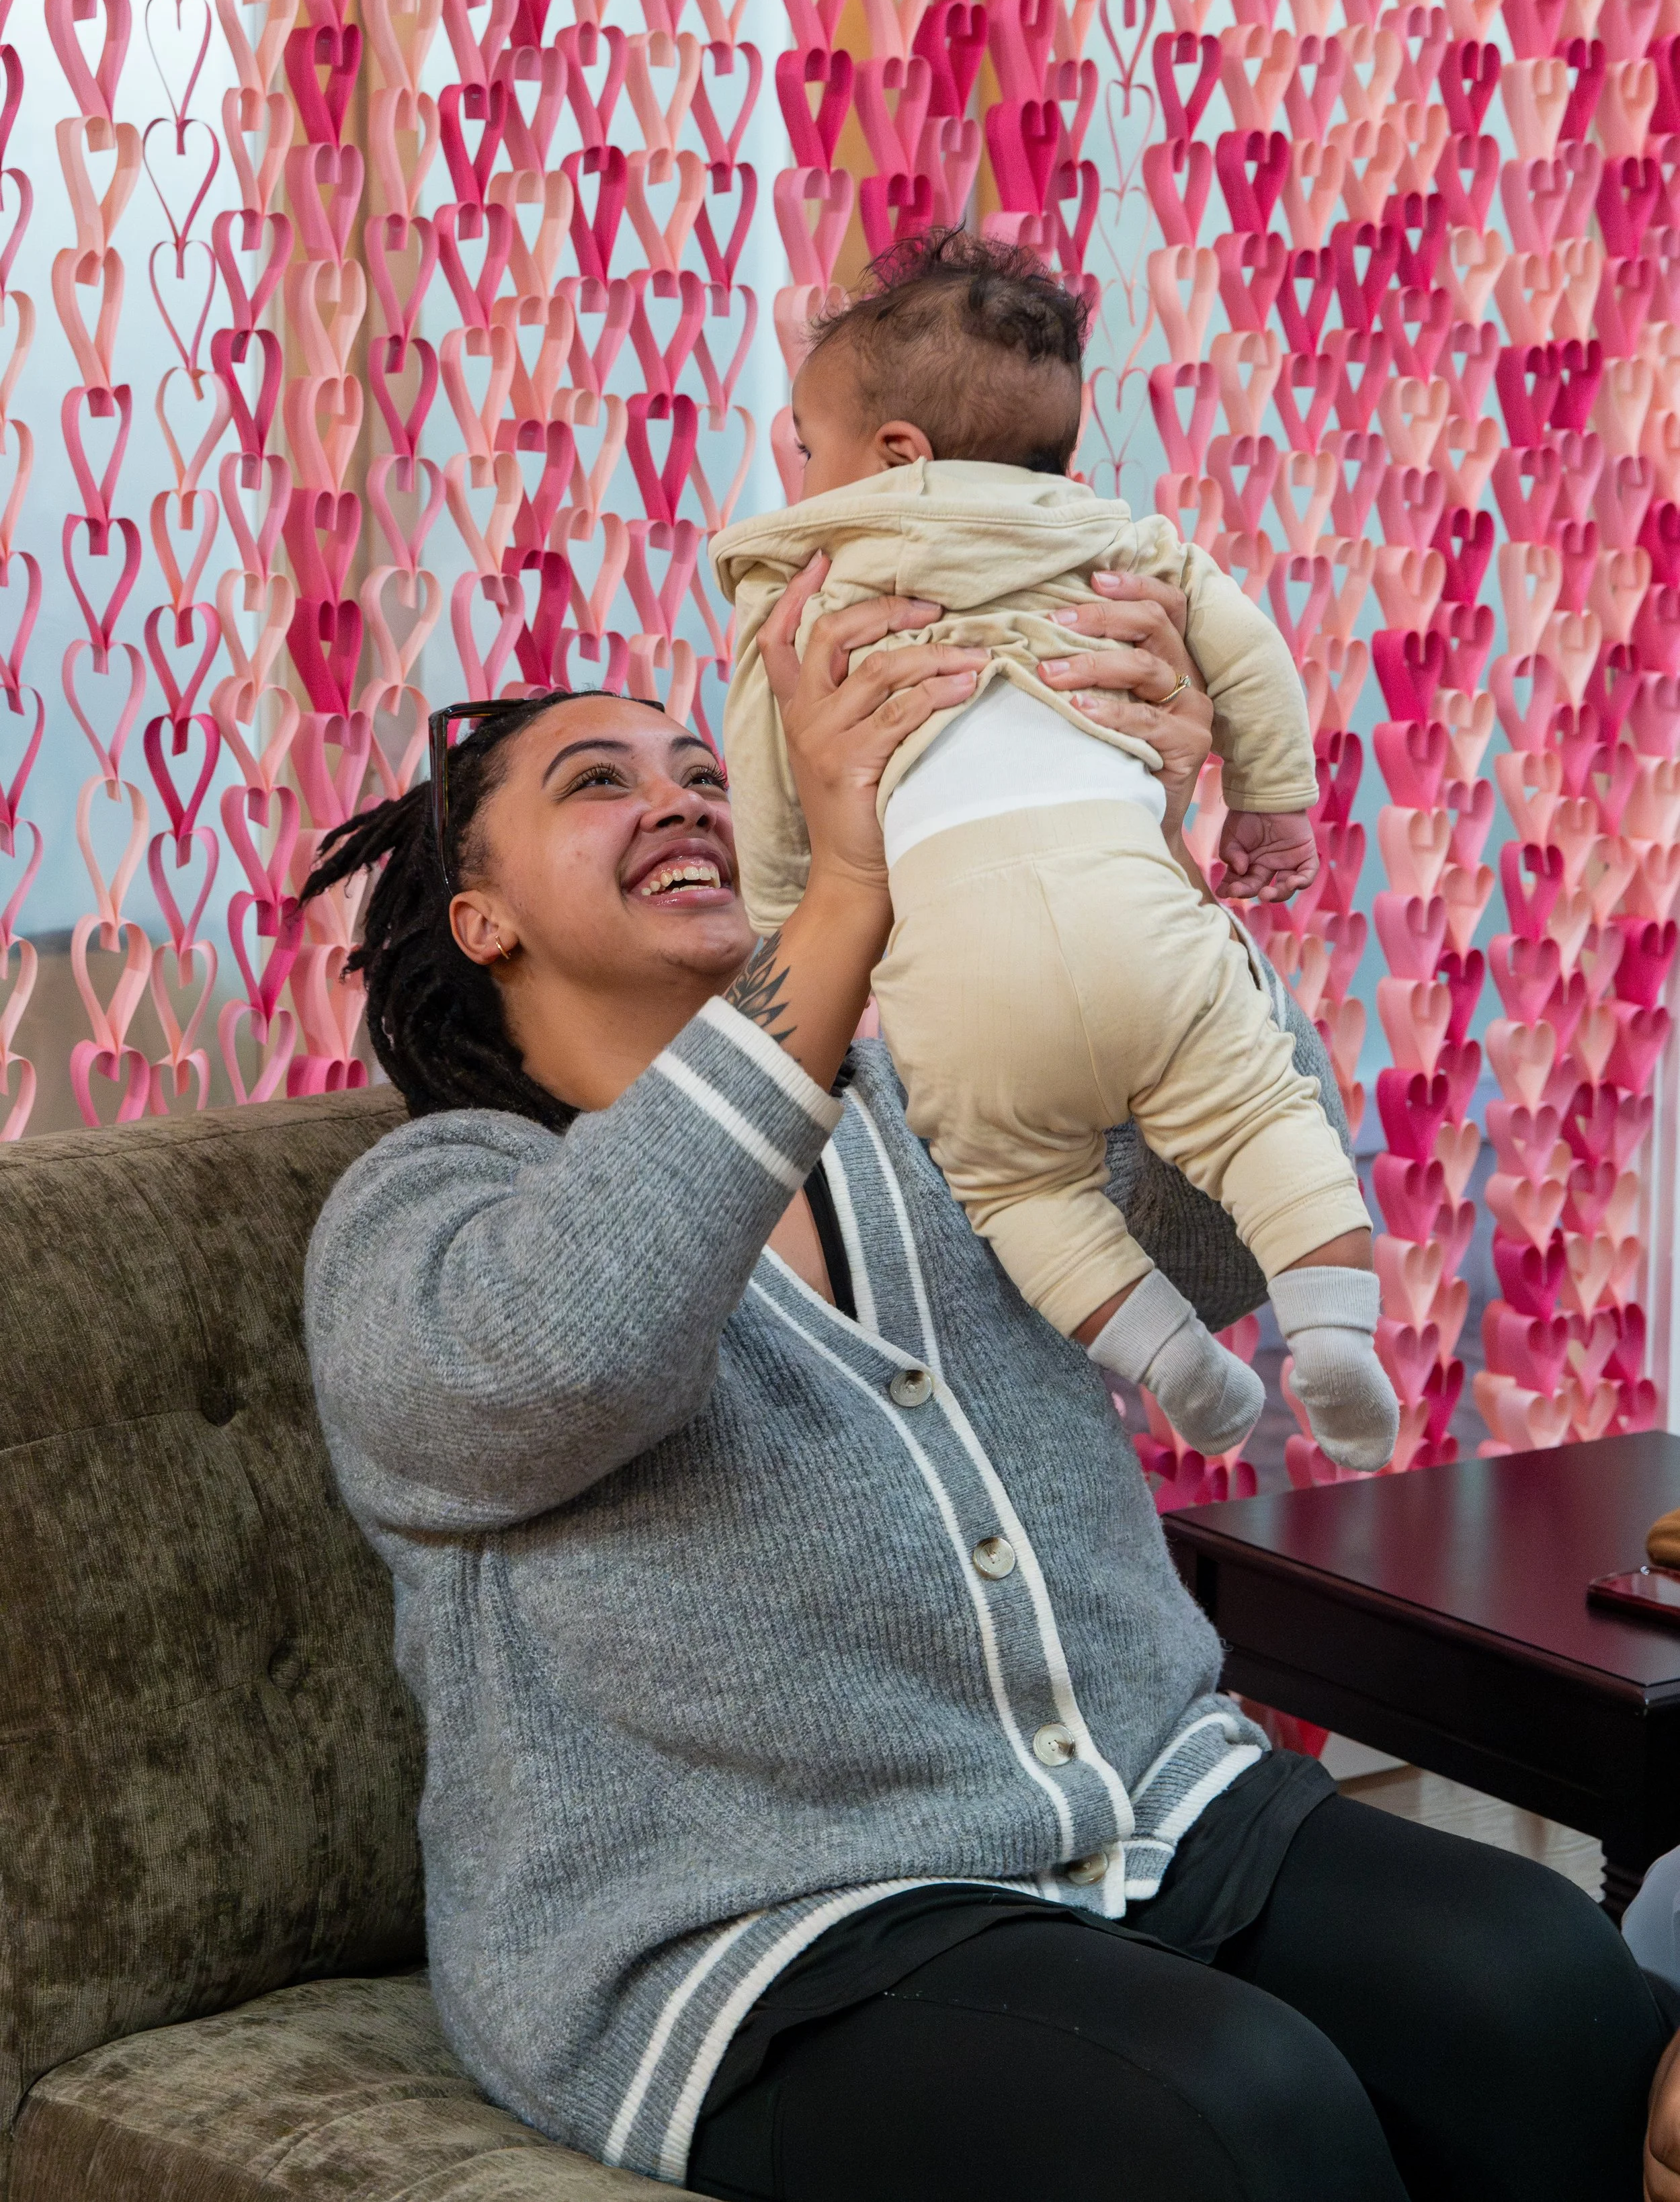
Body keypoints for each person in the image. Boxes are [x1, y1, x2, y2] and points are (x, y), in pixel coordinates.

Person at [302, 575, 1667, 2202]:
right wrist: (837, 916)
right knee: (1240, 2118)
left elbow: (1218, 1237)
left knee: (1553, 1997)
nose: (677, 796)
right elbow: (565, 1356)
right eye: (595, 783)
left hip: (1151, 1812)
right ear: (481, 919)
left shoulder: (942, 1098)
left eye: (693, 769)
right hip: (763, 1927)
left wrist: (1137, 876)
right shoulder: (428, 1214)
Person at [711, 228, 1396, 1478]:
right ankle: (1338, 1332)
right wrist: (1267, 804)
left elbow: (772, 779)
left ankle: (1177, 1362)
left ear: (897, 455)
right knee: (1258, 1107)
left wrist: (783, 930)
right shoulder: (1121, 549)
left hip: (963, 977)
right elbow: (1247, 653)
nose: (800, 475)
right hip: (1138, 914)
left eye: (810, 446)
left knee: (1020, 1189)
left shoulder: (804, 595)